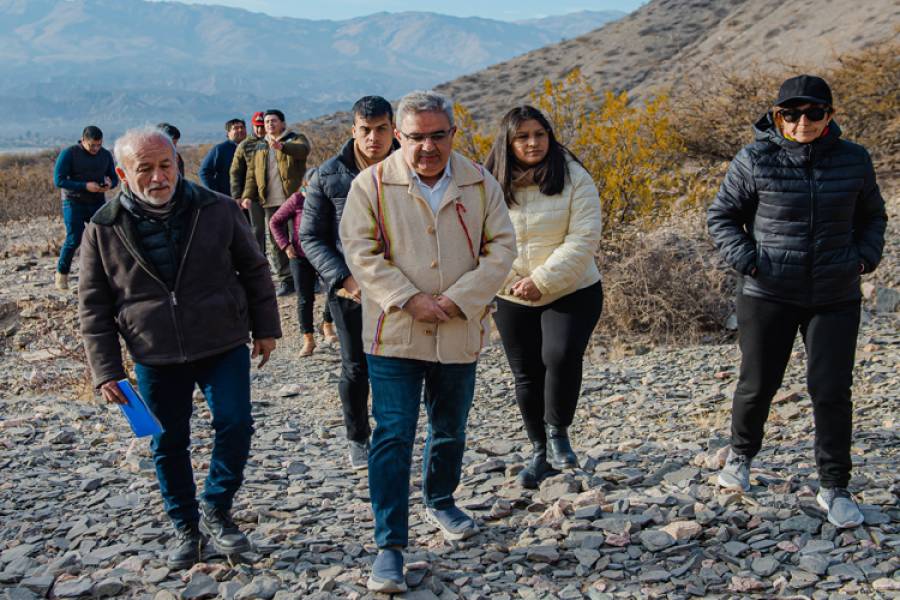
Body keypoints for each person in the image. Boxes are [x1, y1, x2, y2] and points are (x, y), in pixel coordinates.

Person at [78, 127, 281, 569]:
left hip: (221, 341)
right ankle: (186, 527)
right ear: (122, 174)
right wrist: (106, 370)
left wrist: (266, 327)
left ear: (178, 164)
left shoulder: (218, 208)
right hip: (154, 353)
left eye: (165, 165)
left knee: (236, 423)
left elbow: (255, 269)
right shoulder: (103, 227)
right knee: (166, 443)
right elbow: (94, 306)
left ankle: (216, 506)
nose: (157, 177)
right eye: (144, 169)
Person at [340, 90, 516, 594]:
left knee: (450, 426)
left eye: (438, 135)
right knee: (393, 433)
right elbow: (360, 250)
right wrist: (408, 298)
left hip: (460, 329)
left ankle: (440, 498)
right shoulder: (370, 184)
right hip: (394, 332)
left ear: (453, 134)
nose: (427, 147)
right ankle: (389, 546)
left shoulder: (479, 182)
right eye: (416, 136)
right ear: (399, 135)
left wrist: (462, 298)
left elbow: (502, 247)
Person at [707, 75, 886, 528]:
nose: (802, 122)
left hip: (834, 295)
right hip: (769, 293)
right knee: (756, 384)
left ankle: (835, 486)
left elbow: (873, 216)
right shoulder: (755, 158)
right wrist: (749, 261)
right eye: (792, 113)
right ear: (777, 115)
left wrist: (864, 259)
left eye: (813, 112)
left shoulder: (854, 159)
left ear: (830, 115)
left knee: (830, 391)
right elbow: (722, 216)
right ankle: (741, 458)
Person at [484, 106, 603, 488]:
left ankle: (558, 434)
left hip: (572, 287)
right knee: (527, 373)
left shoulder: (573, 177)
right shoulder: (488, 185)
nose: (533, 143)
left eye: (539, 134)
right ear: (508, 142)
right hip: (512, 293)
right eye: (522, 137)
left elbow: (583, 238)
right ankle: (538, 449)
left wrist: (542, 280)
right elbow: (480, 240)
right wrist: (510, 280)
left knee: (560, 355)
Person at [300, 95, 399, 470]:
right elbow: (310, 236)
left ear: (394, 129)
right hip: (350, 289)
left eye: (381, 129)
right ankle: (358, 437)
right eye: (365, 130)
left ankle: (394, 434)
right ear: (352, 131)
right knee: (356, 366)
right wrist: (342, 277)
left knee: (401, 364)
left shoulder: (414, 166)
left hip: (404, 285)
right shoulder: (329, 174)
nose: (373, 138)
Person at [242, 109, 311, 296]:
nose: (269, 125)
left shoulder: (294, 138)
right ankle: (286, 279)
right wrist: (248, 195)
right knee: (276, 242)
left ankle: (307, 278)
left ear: (282, 123)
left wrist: (283, 147)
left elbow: (303, 151)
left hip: (293, 199)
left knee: (300, 238)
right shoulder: (260, 146)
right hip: (269, 200)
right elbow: (251, 174)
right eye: (266, 122)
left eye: (273, 121)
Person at [269, 185, 337, 356]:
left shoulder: (328, 197)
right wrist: (285, 245)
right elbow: (275, 221)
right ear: (306, 185)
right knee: (305, 298)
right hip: (300, 256)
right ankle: (308, 338)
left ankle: (327, 324)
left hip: (324, 253)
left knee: (334, 289)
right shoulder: (297, 199)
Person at [53, 125, 118, 291]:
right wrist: (84, 186)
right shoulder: (69, 153)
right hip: (73, 201)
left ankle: (107, 277)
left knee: (105, 237)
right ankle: (62, 274)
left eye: (99, 145)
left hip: (97, 201)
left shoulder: (105, 155)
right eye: (92, 145)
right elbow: (59, 180)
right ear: (83, 141)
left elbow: (114, 177)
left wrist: (110, 184)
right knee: (74, 238)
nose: (96, 148)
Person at [230, 111, 268, 253]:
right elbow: (235, 172)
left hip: (275, 193)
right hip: (253, 195)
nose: (260, 130)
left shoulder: (274, 142)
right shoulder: (244, 145)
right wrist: (237, 195)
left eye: (262, 126)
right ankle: (259, 259)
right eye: (257, 126)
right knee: (257, 229)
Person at [199, 118, 247, 196]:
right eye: (236, 128)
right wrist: (217, 194)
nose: (240, 130)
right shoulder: (220, 149)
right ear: (228, 133)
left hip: (250, 200)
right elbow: (204, 172)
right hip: (228, 199)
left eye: (242, 127)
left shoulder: (252, 148)